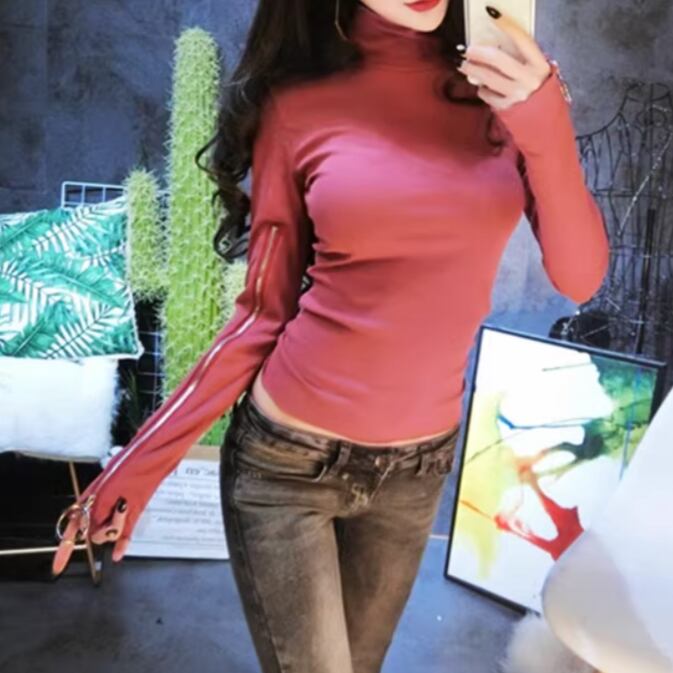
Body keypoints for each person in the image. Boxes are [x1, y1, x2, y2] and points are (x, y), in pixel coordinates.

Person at [52, 1, 610, 671]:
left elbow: (579, 276)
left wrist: (545, 122)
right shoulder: (297, 106)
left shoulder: (510, 94)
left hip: (416, 472)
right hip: (287, 465)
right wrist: (142, 463)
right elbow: (262, 313)